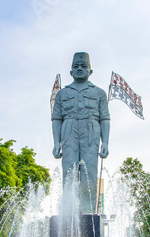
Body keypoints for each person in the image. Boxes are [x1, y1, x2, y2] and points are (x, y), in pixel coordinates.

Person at [51, 52, 110, 214]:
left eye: (84, 66)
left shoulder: (99, 93)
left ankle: (87, 209)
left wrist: (105, 142)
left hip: (91, 130)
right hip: (68, 130)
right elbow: (56, 118)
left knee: (89, 170)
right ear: (70, 72)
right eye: (75, 66)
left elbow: (104, 119)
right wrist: (57, 142)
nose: (79, 69)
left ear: (90, 71)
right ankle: (69, 209)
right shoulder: (62, 94)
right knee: (69, 170)